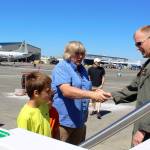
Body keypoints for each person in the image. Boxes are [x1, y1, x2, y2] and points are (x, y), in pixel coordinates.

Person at [51, 41, 111, 145]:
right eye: (77, 53)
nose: (80, 56)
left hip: (80, 120)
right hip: (64, 122)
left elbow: (82, 87)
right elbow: (66, 91)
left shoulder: (82, 69)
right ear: (68, 53)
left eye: (82, 53)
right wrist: (92, 95)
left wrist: (95, 90)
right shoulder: (62, 67)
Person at [111, 25, 150, 147]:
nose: (137, 48)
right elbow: (134, 88)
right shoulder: (148, 63)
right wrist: (110, 95)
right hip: (142, 122)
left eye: (139, 43)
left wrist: (144, 129)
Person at [17, 72, 52, 137]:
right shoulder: (25, 116)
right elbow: (22, 140)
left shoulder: (44, 105)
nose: (51, 93)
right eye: (48, 91)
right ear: (36, 93)